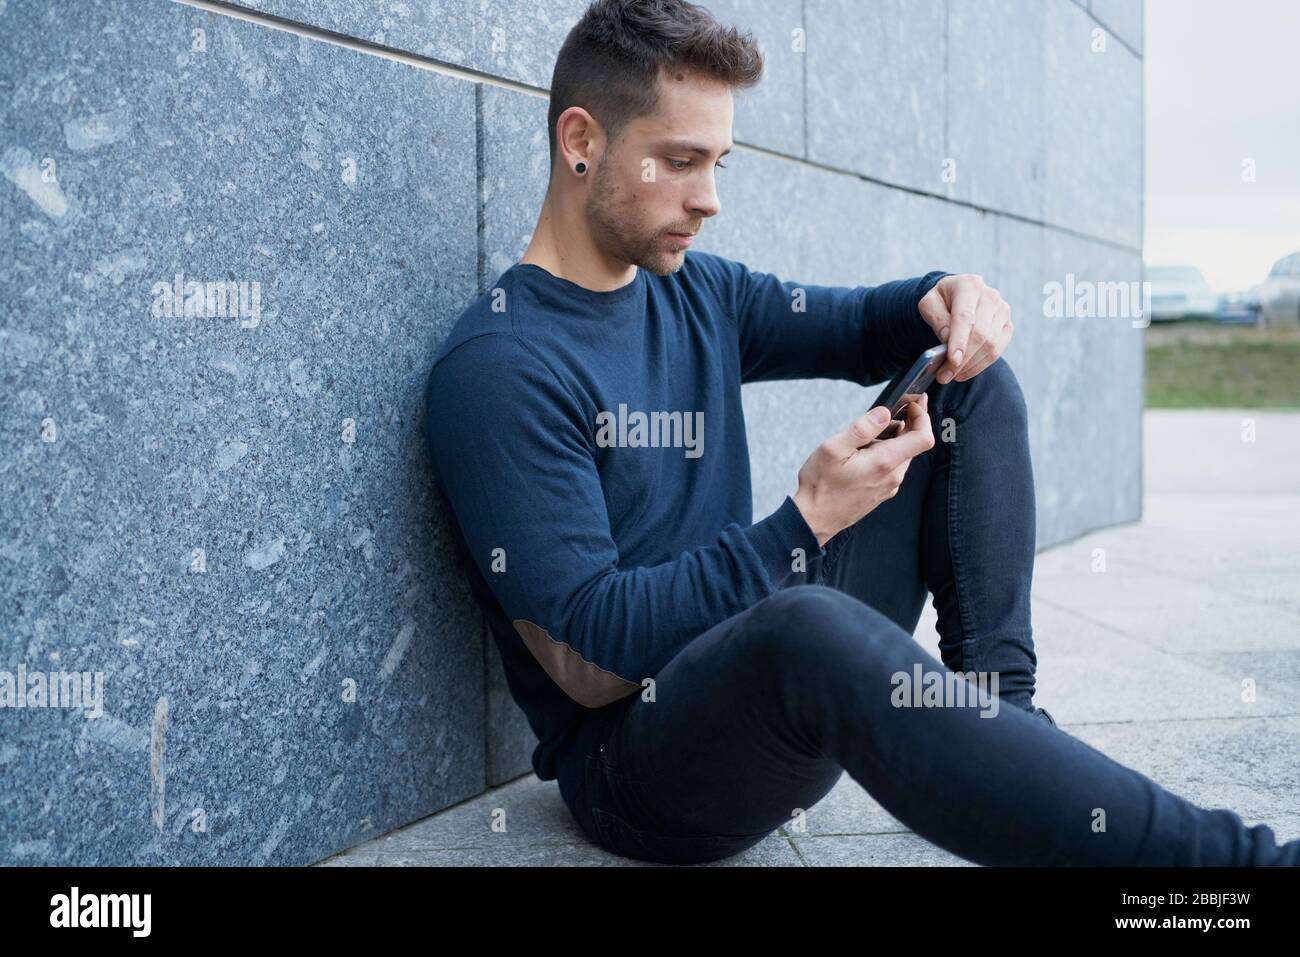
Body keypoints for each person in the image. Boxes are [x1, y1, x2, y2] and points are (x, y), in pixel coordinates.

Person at [423, 0, 1300, 866]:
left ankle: (1000, 725)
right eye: (681, 161)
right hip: (642, 768)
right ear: (581, 141)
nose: (711, 199)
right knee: (806, 624)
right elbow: (592, 644)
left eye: (720, 162)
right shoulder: (501, 364)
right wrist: (803, 524)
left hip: (770, 671)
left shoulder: (696, 291)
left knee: (966, 385)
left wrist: (949, 295)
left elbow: (855, 324)